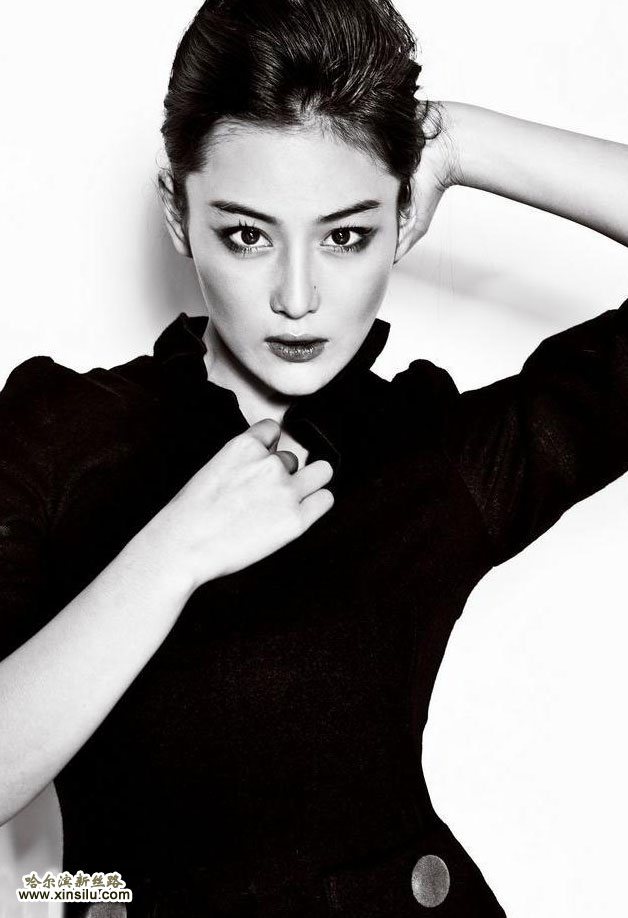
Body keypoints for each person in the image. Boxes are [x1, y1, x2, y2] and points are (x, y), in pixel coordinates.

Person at [0, 0, 627, 915]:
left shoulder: (430, 453)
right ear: (178, 214)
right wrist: (174, 553)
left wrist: (457, 141)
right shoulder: (62, 431)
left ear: (402, 217)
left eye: (346, 234)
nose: (297, 298)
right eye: (247, 234)